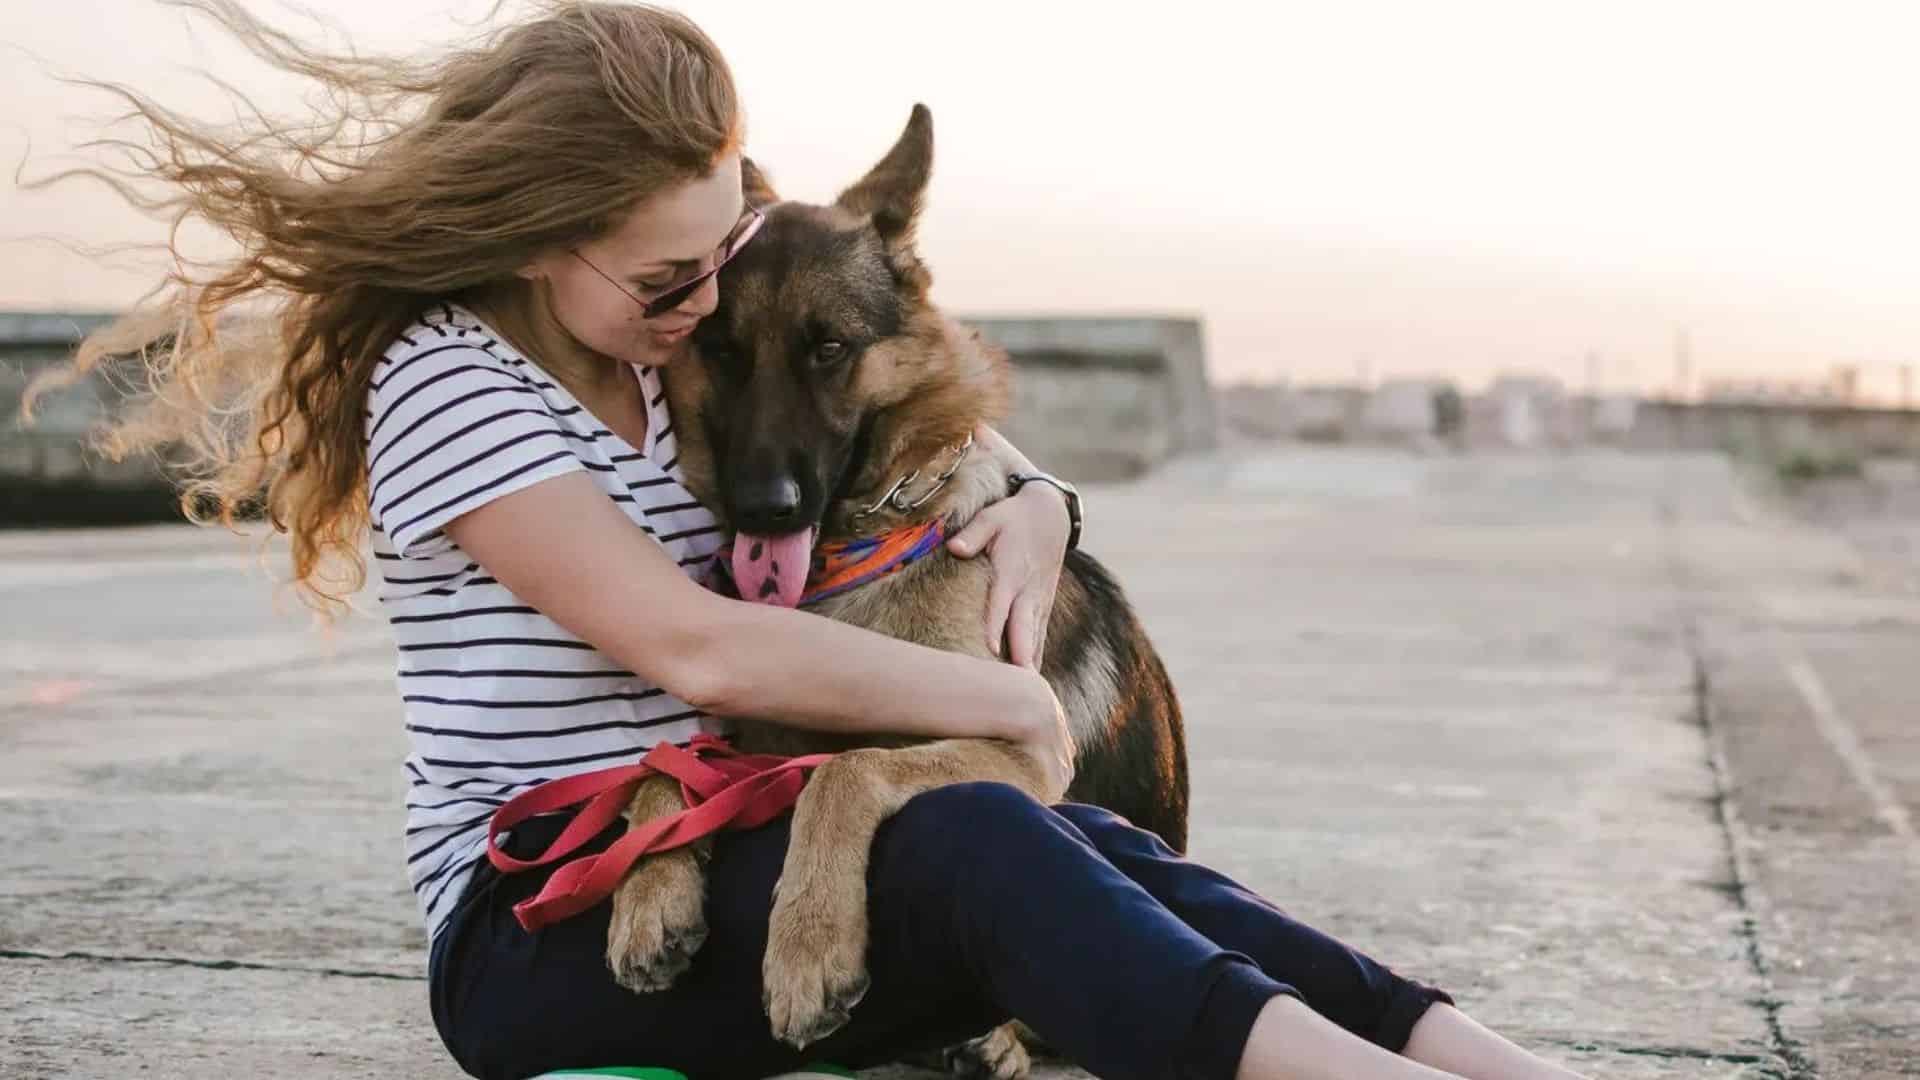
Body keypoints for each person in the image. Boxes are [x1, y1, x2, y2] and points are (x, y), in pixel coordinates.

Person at [27, 4, 1595, 1079]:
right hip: (544, 922)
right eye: (667, 281)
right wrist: (1007, 698)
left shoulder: (661, 346)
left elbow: (896, 404)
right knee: (978, 836)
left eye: (717, 261)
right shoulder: (452, 380)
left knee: (1092, 848)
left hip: (718, 836)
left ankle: (1464, 1048)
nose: (702, 308)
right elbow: (689, 645)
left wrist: (1038, 498)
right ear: (537, 236)